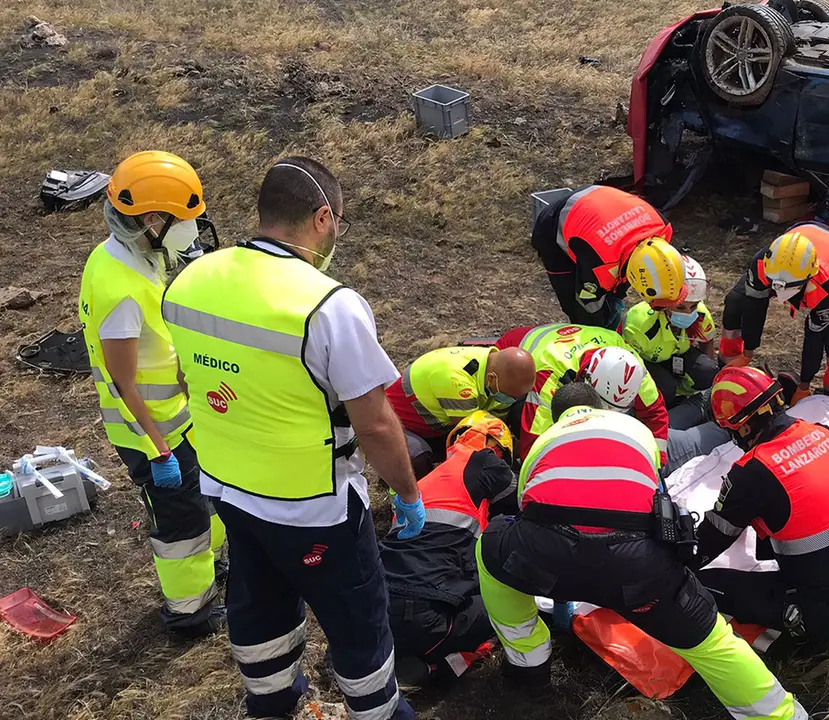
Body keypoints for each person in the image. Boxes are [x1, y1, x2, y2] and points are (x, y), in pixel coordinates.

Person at [163, 156, 423, 719]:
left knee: (258, 600)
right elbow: (375, 423)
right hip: (316, 509)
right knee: (357, 624)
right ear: (323, 217)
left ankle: (272, 700)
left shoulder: (190, 280)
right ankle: (377, 711)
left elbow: (191, 377)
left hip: (229, 490)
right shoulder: (329, 305)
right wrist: (407, 494)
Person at [476, 381, 807, 719]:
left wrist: (559, 590)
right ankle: (780, 716)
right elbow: (655, 494)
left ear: (556, 417)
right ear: (603, 409)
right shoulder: (634, 429)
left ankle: (530, 669)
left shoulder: (544, 440)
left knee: (490, 550)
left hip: (546, 549)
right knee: (712, 643)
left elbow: (530, 510)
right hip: (637, 564)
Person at [78, 151, 225, 637]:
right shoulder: (121, 288)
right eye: (183, 220)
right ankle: (189, 612)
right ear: (150, 220)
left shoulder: (130, 255)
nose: (192, 228)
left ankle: (214, 567)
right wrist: (158, 450)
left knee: (204, 497)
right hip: (152, 432)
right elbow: (122, 381)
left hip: (175, 417)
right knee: (181, 522)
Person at [694, 366, 829, 677]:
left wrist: (667, 551)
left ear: (741, 428)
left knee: (703, 585)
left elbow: (705, 545)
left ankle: (807, 648)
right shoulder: (820, 432)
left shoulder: (752, 472)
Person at [379, 412, 518, 685]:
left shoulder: (421, 485)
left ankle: (406, 660)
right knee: (512, 603)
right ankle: (436, 669)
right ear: (497, 447)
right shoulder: (482, 461)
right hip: (431, 619)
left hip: (380, 615)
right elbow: (523, 497)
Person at [720, 222, 829, 403]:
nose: (779, 295)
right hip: (800, 234)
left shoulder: (826, 286)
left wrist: (804, 385)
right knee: (736, 301)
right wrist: (748, 352)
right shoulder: (762, 263)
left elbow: (814, 338)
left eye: (790, 288)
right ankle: (729, 361)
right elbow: (754, 307)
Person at [495, 323, 670, 460]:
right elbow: (535, 438)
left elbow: (655, 413)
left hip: (567, 339)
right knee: (518, 415)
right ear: (585, 380)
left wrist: (658, 462)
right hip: (512, 354)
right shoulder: (551, 372)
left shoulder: (632, 367)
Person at [530, 184, 687, 329]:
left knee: (609, 294)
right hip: (552, 225)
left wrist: (617, 296)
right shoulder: (601, 265)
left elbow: (630, 267)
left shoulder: (662, 228)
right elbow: (588, 305)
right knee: (572, 302)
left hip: (597, 198)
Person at [384, 345, 536, 476]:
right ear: (491, 379)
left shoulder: (494, 367)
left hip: (438, 422)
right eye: (509, 395)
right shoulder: (457, 382)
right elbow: (473, 436)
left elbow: (499, 419)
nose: (510, 400)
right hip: (397, 424)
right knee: (419, 460)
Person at [623, 253, 718, 425]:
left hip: (676, 356)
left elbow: (707, 342)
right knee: (665, 388)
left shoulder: (701, 315)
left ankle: (679, 396)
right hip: (645, 362)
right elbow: (627, 360)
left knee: (707, 371)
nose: (689, 313)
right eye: (681, 307)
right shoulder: (639, 324)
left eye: (693, 306)